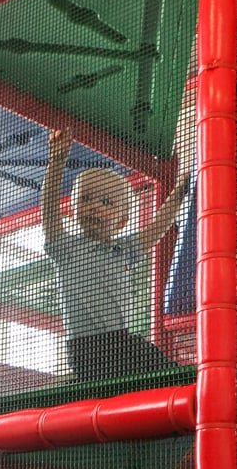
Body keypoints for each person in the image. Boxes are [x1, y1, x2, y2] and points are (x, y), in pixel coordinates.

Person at [41, 127, 188, 382]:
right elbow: (50, 209)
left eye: (107, 203)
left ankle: (180, 388)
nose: (94, 206)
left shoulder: (123, 250)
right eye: (86, 198)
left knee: (158, 364)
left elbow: (157, 227)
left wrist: (180, 192)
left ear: (122, 221)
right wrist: (56, 161)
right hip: (84, 349)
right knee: (154, 365)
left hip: (119, 343)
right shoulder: (65, 248)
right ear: (73, 209)